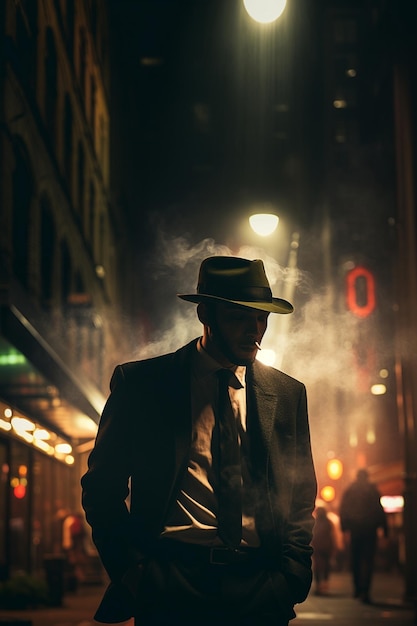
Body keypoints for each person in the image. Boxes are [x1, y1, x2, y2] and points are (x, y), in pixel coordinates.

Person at [81, 255, 317, 626]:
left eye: (261, 318)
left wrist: (291, 576)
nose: (254, 330)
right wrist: (133, 573)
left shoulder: (287, 394)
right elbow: (101, 488)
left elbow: (301, 495)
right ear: (205, 314)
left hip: (260, 589)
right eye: (239, 317)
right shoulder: (142, 385)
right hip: (170, 586)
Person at [339, 468, 388, 604]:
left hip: (355, 530)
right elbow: (380, 511)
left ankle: (357, 588)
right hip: (370, 531)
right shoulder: (373, 491)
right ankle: (366, 591)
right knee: (368, 561)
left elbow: (343, 510)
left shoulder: (350, 490)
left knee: (355, 560)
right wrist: (385, 531)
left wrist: (344, 529)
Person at [311, 506, 337, 596]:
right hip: (327, 546)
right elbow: (332, 535)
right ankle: (325, 584)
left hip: (317, 547)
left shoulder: (315, 523)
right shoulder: (328, 523)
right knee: (326, 565)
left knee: (318, 566)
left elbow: (313, 536)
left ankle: (318, 585)